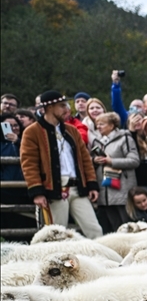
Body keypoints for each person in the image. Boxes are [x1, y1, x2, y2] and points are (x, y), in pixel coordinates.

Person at [20, 91, 104, 238]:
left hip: (77, 188)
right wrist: (37, 191)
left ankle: (99, 261)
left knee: (95, 230)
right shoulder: (32, 132)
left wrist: (91, 184)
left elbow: (85, 159)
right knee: (56, 235)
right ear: (50, 107)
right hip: (53, 189)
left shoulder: (72, 130)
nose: (67, 109)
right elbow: (29, 163)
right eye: (62, 106)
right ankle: (59, 262)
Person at [90, 111, 140, 233]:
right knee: (112, 228)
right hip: (105, 194)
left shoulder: (125, 138)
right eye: (97, 124)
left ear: (112, 126)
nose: (98, 127)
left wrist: (111, 161)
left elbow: (134, 161)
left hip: (122, 191)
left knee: (127, 227)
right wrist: (95, 161)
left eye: (102, 124)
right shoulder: (97, 142)